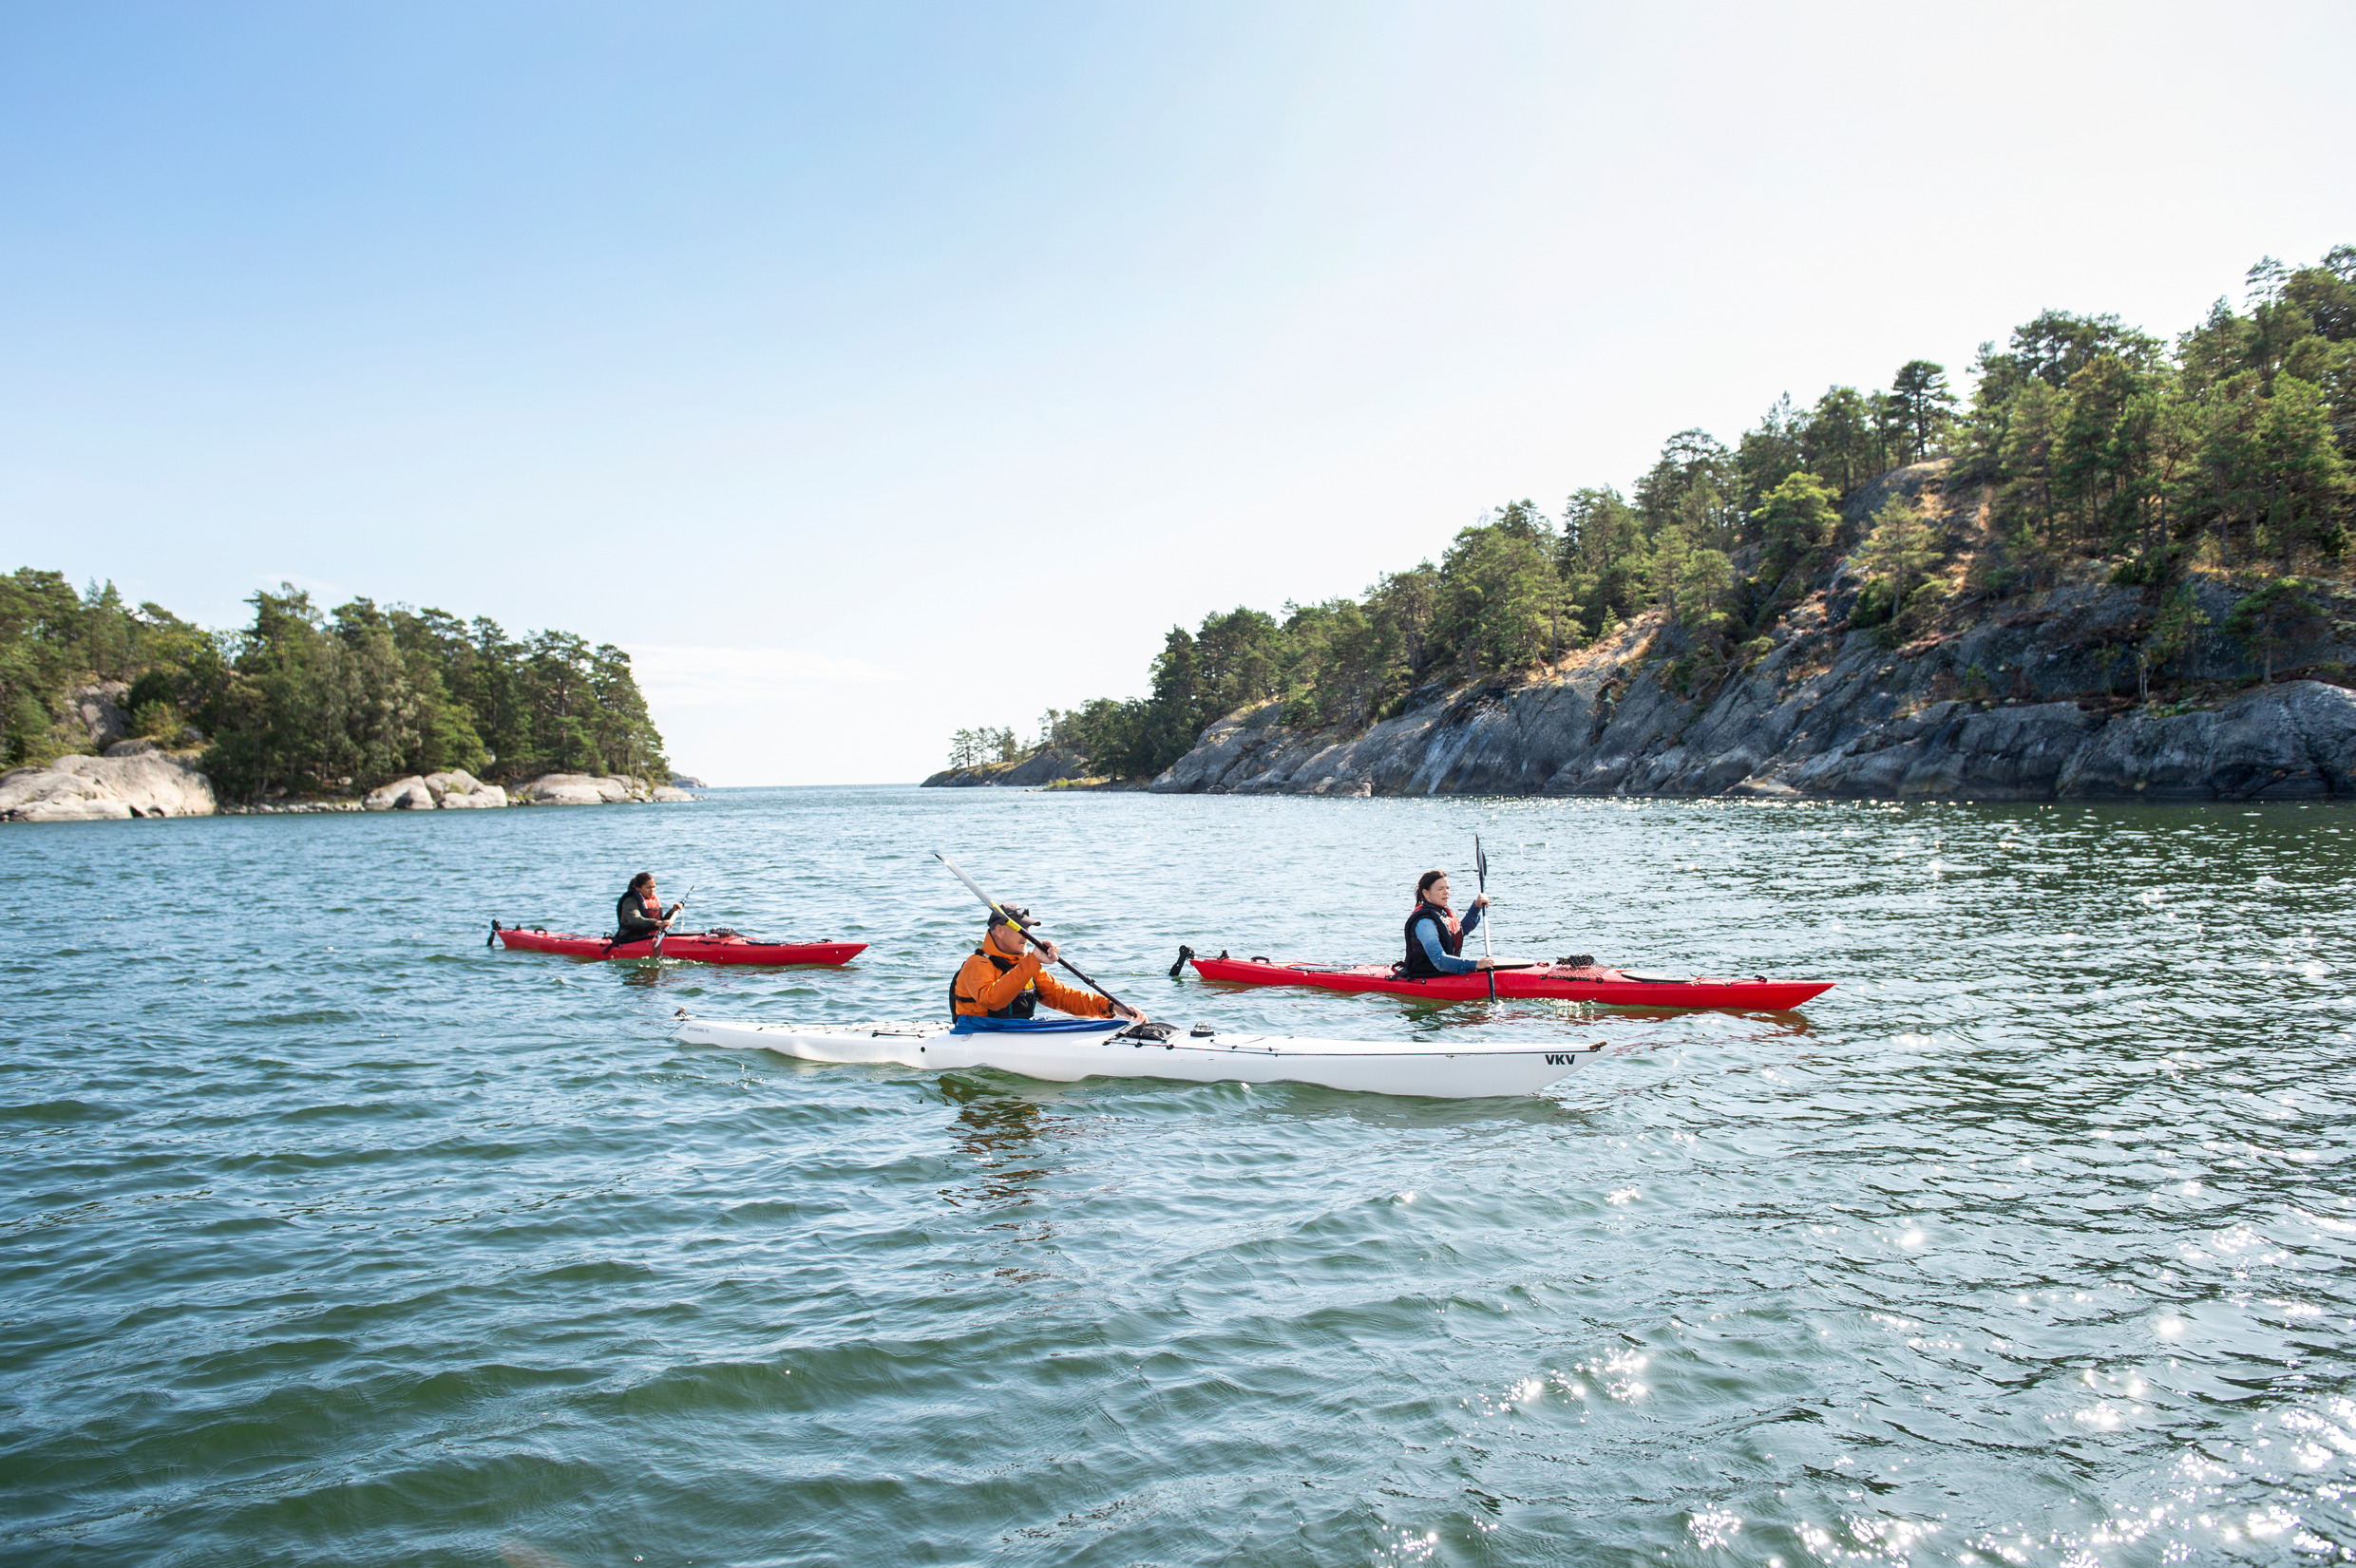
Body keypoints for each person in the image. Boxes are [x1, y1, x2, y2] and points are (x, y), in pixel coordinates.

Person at [952, 905, 1149, 1022]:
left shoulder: (1026, 965)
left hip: (1016, 1035)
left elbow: (1062, 997)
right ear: (999, 931)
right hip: (979, 1035)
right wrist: (1034, 960)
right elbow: (992, 1000)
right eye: (1022, 929)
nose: (1027, 936)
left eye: (1028, 929)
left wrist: (1111, 1007)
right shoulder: (976, 965)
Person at [1400, 869, 1499, 977]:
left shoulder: (1442, 913)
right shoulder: (1425, 923)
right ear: (1426, 893)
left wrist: (1476, 907)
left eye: (1447, 888)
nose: (1446, 892)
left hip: (1443, 972)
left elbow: (1460, 931)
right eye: (1440, 889)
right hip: (1425, 975)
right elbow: (1440, 961)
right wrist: (1475, 965)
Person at [616, 872, 681, 944]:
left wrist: (672, 911)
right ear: (638, 888)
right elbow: (635, 920)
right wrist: (657, 923)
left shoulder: (652, 900)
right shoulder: (630, 901)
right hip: (630, 939)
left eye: (653, 887)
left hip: (650, 937)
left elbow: (660, 921)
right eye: (648, 888)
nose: (652, 890)